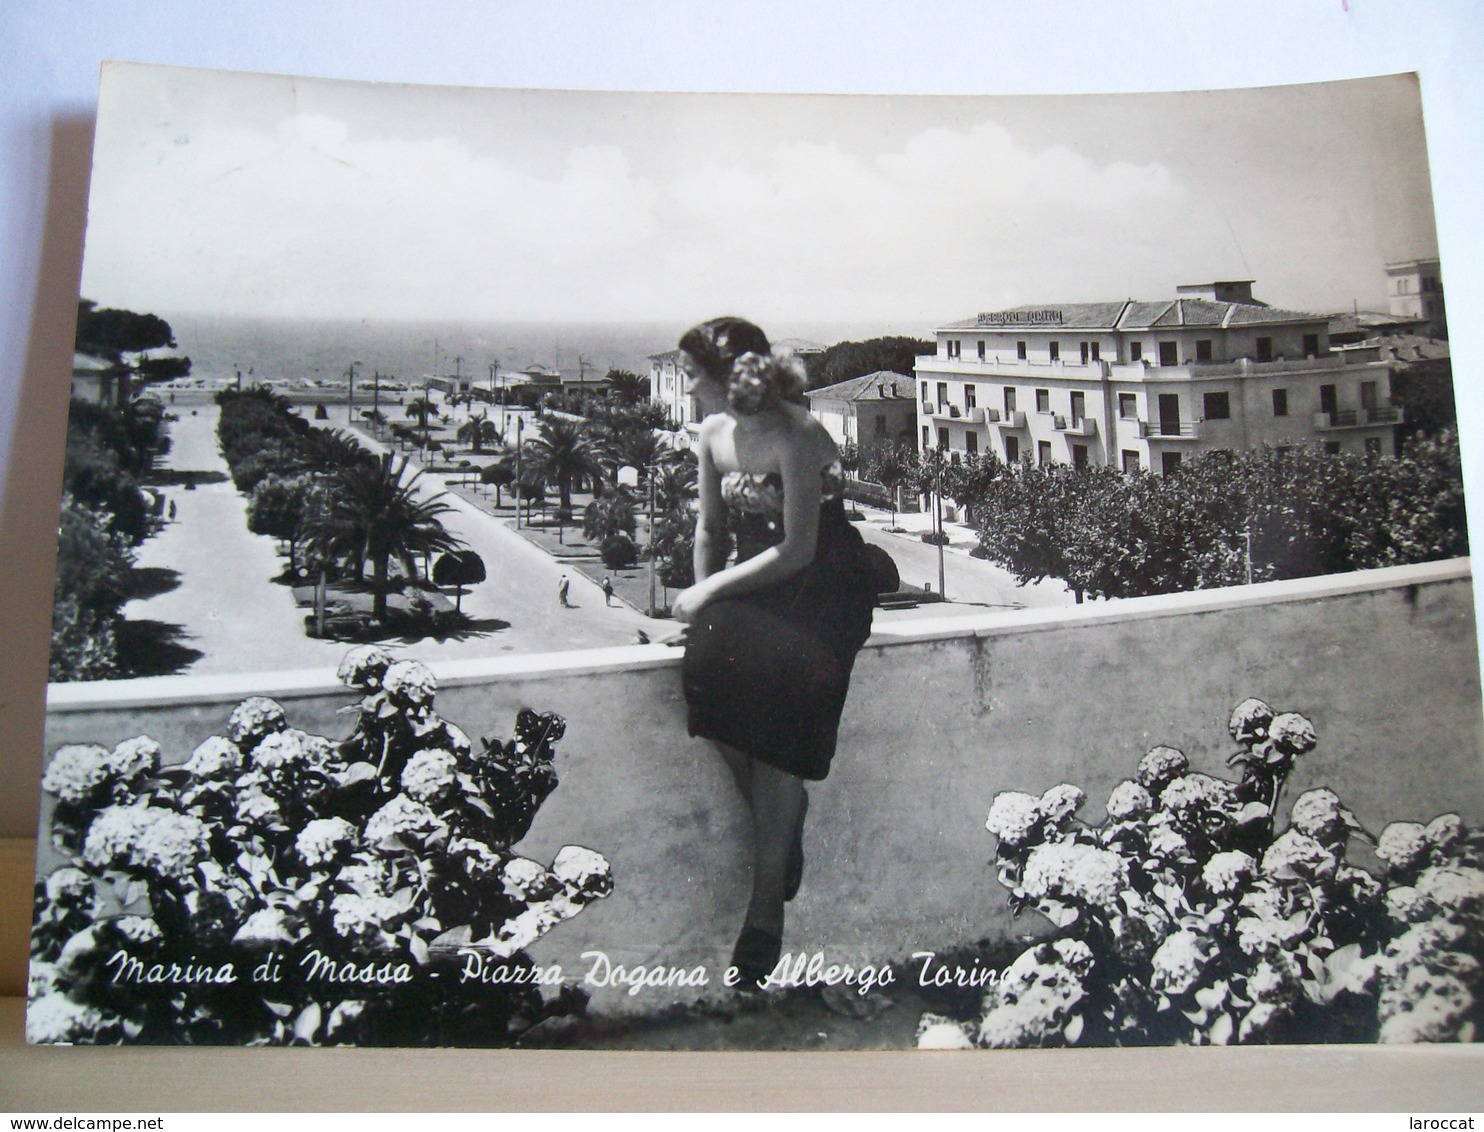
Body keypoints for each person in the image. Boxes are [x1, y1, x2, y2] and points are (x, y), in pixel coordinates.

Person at [672, 317, 876, 989]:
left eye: (691, 373)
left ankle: (765, 917)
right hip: (755, 579)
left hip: (823, 583)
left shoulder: (797, 437)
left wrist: (708, 596)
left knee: (784, 700)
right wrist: (701, 597)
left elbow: (799, 551)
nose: (684, 383)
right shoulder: (709, 435)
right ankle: (779, 833)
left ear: (728, 377)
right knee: (703, 670)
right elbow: (710, 527)